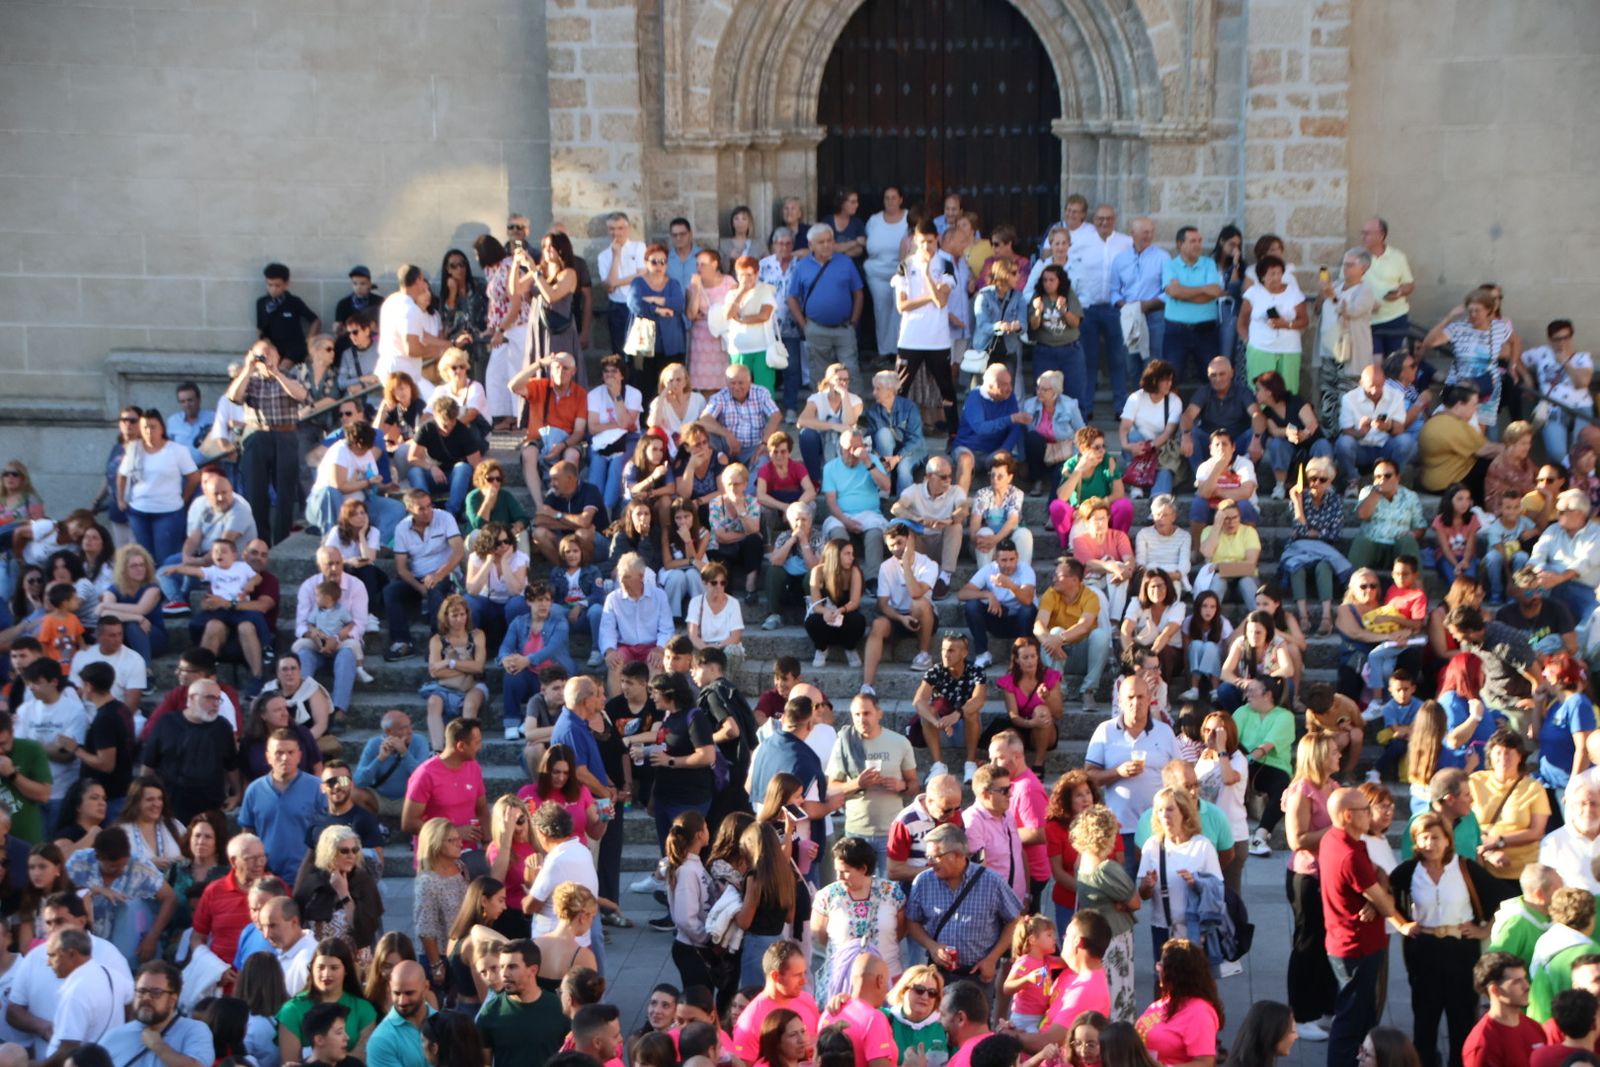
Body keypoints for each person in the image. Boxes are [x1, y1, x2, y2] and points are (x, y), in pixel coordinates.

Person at [1388, 811, 1500, 1067]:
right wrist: (1401, 924)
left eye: (1435, 837)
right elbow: (1385, 897)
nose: (1430, 844)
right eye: (1423, 838)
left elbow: (1501, 898)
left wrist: (1484, 930)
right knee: (1425, 1018)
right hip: (1424, 949)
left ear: (1448, 840)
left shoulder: (1464, 868)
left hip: (1460, 948)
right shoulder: (1409, 870)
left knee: (1461, 1018)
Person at [1320, 787, 1417, 1067]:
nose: (1372, 814)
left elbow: (1379, 875)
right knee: (1351, 1020)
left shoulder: (1337, 839)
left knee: (1361, 1015)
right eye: (1365, 809)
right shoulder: (1348, 853)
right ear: (1349, 815)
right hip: (1356, 945)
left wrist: (1378, 894)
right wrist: (1403, 924)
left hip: (1347, 941)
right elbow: (1384, 902)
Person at [905, 824, 1022, 984]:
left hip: (977, 975)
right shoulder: (923, 881)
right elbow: (912, 921)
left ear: (958, 855)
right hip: (938, 974)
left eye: (935, 857)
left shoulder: (991, 882)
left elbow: (1015, 920)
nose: (930, 863)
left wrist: (992, 959)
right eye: (928, 857)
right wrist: (932, 946)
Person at [1085, 676, 1178, 865]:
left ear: (1150, 698)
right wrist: (1117, 772)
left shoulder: (1165, 732)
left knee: (1160, 889)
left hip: (1159, 827)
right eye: (1130, 697)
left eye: (1141, 697)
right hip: (1120, 829)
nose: (1136, 702)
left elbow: (1178, 775)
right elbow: (1088, 777)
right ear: (1120, 701)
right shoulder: (1105, 731)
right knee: (1124, 890)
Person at [226, 342, 310, 545]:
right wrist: (248, 367)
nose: (265, 358)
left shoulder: (291, 375)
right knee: (256, 492)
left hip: (285, 435)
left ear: (278, 357)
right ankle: (260, 542)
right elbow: (234, 397)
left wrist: (277, 374)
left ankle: (282, 540)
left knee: (285, 492)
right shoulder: (249, 379)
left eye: (269, 354)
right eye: (261, 355)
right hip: (257, 435)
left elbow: (302, 395)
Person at [383, 491, 465, 663]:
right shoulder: (401, 528)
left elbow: (458, 551)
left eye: (430, 506)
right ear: (409, 509)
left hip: (445, 573)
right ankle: (402, 642)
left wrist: (438, 574)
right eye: (422, 508)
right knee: (391, 592)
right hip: (418, 578)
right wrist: (419, 587)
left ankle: (438, 642)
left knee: (434, 588)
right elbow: (401, 568)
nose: (428, 511)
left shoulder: (445, 518)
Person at [861, 523, 939, 692]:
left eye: (899, 543)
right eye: (891, 546)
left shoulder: (929, 564)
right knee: (878, 625)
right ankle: (867, 685)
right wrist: (901, 619)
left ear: (910, 540)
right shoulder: (886, 567)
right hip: (898, 616)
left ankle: (924, 654)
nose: (896, 549)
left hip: (922, 616)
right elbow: (882, 604)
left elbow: (916, 592)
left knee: (919, 603)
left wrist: (905, 564)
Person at [98, 959, 214, 1067]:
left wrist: (158, 1046)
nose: (146, 997)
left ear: (173, 999)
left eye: (156, 992)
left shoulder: (194, 1030)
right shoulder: (114, 1036)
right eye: (141, 991)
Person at [1035, 558, 1113, 710]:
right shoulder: (1050, 594)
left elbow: (1084, 626)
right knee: (1054, 631)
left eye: (1060, 576)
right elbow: (1039, 625)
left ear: (1075, 580)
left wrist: (1059, 639)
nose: (1054, 579)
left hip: (1083, 656)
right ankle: (1058, 690)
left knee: (1101, 635)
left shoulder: (1090, 597)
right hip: (1056, 656)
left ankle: (1088, 691)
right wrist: (1051, 641)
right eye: (1054, 575)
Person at [1134, 939, 1223, 1067]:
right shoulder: (1160, 1004)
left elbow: (1205, 1063)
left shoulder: (1199, 1012)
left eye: (1161, 966)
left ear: (1175, 973)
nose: (1158, 970)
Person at [730, 940, 821, 1064]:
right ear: (775, 976)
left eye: (804, 973)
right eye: (797, 975)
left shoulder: (807, 1000)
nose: (804, 981)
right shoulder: (750, 1022)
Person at [958, 540, 1037, 670]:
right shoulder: (989, 570)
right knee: (972, 605)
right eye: (1004, 560)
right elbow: (962, 593)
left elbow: (1027, 600)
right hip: (998, 618)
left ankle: (1023, 654)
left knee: (1027, 610)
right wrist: (988, 595)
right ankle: (982, 654)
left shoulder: (1026, 570)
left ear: (1017, 556)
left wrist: (1011, 585)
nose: (1008, 564)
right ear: (996, 558)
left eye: (1012, 559)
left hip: (1022, 623)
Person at [1462, 952, 1547, 1067]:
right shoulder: (1483, 1042)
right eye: (1516, 982)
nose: (1526, 986)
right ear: (1495, 990)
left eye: (1524, 978)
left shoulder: (1534, 1027)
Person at [951, 365, 1024, 493]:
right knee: (965, 460)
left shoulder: (1009, 397)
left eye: (1010, 383)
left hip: (993, 451)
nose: (1010, 388)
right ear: (990, 386)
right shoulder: (975, 398)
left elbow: (1016, 427)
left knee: (1003, 459)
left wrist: (1005, 448)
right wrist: (1010, 419)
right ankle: (960, 505)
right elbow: (981, 428)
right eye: (1004, 385)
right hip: (968, 448)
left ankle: (1003, 507)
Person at [1351, 457, 1426, 571]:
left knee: (1409, 542)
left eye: (1387, 476)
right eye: (1378, 477)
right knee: (1361, 541)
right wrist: (1376, 493)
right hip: (1372, 545)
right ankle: (1350, 585)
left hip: (1398, 546)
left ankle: (1416, 586)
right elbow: (1362, 515)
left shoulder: (1410, 496)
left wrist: (1413, 534)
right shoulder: (1367, 492)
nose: (1382, 480)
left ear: (1397, 477)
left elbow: (1420, 527)